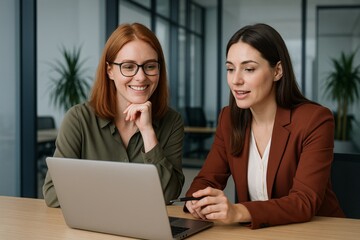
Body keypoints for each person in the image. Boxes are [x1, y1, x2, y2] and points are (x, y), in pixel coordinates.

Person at [184, 23, 345, 229]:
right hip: (260, 232)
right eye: (230, 69)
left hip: (318, 231)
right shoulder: (229, 118)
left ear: (277, 70)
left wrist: (238, 211)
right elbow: (207, 179)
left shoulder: (315, 120)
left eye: (249, 69)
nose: (235, 80)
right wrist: (197, 201)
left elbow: (304, 201)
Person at [43, 23, 185, 207]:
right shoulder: (79, 119)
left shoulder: (172, 121)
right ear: (110, 70)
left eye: (150, 66)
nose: (141, 77)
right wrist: (133, 192)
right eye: (128, 67)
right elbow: (53, 193)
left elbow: (168, 194)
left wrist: (148, 132)